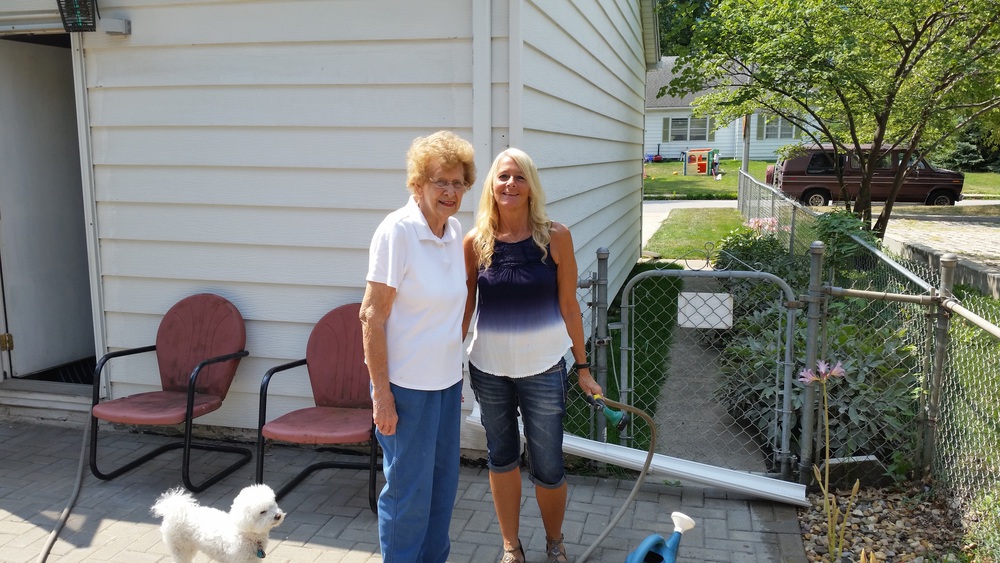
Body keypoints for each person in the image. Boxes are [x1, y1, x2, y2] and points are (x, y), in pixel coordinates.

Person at [462, 148, 603, 563]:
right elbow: (465, 307)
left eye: (519, 177)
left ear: (531, 187)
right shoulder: (476, 242)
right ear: (492, 184)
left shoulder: (555, 236)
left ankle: (554, 541)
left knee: (548, 464)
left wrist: (582, 367)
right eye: (503, 176)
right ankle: (511, 546)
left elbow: (570, 307)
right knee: (501, 458)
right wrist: (448, 360)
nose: (510, 184)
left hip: (543, 370)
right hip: (489, 370)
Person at [360, 130, 475, 562]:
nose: (449, 191)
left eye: (458, 183)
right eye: (439, 182)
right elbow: (372, 316)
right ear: (418, 184)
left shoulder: (453, 230)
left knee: (442, 492)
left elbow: (448, 310)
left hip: (445, 386)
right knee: (408, 497)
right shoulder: (398, 231)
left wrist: (452, 373)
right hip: (405, 390)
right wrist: (382, 395)